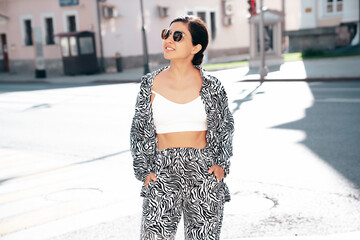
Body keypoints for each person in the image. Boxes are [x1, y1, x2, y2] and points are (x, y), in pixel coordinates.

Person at [130, 15, 234, 240]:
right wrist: (144, 171)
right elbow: (138, 131)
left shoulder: (212, 86)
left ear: (195, 47)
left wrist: (221, 166)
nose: (169, 40)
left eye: (178, 36)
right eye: (166, 34)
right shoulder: (149, 84)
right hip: (162, 172)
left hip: (203, 173)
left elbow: (225, 127)